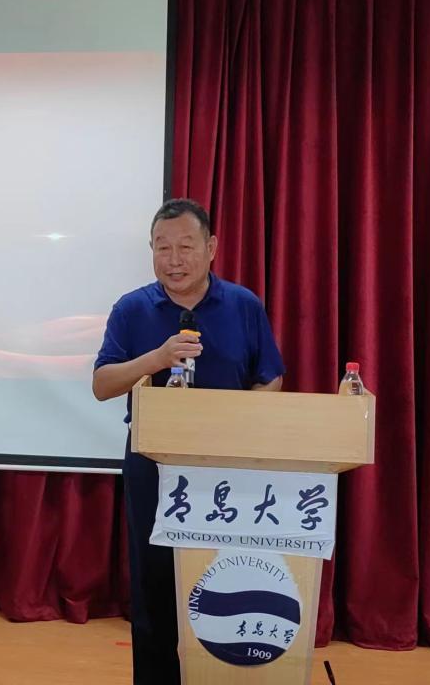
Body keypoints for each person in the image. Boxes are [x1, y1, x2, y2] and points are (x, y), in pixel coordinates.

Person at [92, 198, 285, 684]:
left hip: (227, 467)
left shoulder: (243, 305)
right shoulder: (132, 309)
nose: (173, 259)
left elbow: (270, 376)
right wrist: (156, 358)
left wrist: (240, 423)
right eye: (162, 248)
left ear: (211, 248)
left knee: (224, 582)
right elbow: (102, 384)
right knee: (154, 585)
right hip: (153, 465)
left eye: (185, 246)